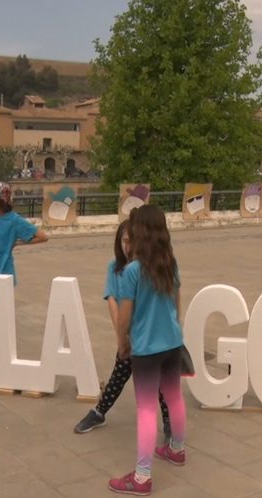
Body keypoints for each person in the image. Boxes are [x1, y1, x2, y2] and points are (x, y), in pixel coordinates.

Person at [109, 205, 186, 496]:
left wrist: (122, 343)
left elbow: (125, 316)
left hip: (147, 348)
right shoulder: (171, 264)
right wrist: (175, 330)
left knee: (145, 409)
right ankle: (177, 449)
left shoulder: (132, 272)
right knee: (175, 397)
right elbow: (176, 304)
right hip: (172, 343)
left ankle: (142, 477)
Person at [74, 221, 171, 438]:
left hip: (151, 336)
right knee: (120, 371)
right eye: (125, 240)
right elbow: (112, 300)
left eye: (133, 241)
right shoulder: (115, 268)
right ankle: (99, 412)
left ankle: (169, 424)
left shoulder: (147, 268)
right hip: (129, 333)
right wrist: (122, 338)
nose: (128, 246)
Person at [0, 182, 48, 366]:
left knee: (1, 319)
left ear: (3, 201)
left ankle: (5, 358)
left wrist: (18, 243)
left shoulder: (14, 221)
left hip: (3, 276)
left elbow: (43, 236)